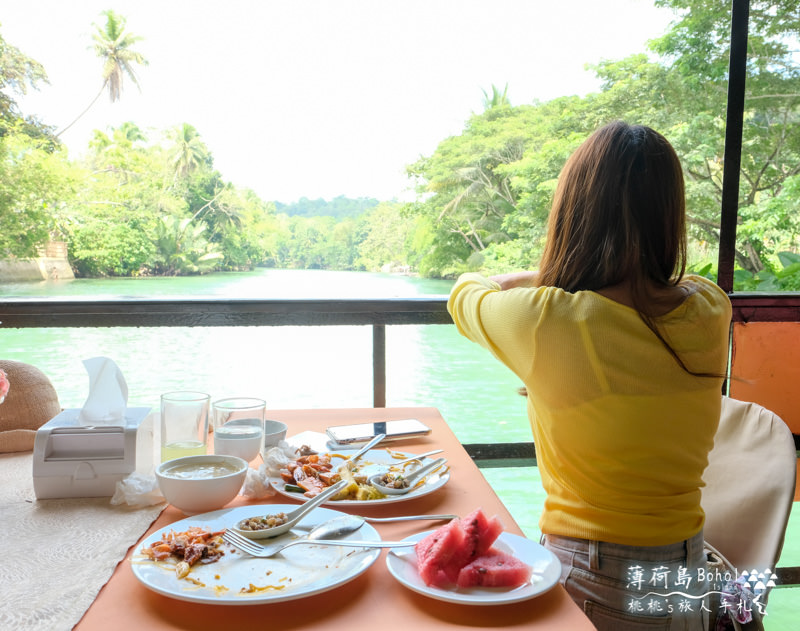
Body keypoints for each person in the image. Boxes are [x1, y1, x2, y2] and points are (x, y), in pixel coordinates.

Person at [447, 121, 731, 630]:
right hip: (688, 575)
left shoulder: (548, 318)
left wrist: (546, 273)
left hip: (597, 576)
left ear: (572, 212)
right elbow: (663, 285)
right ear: (671, 214)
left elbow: (466, 293)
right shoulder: (710, 308)